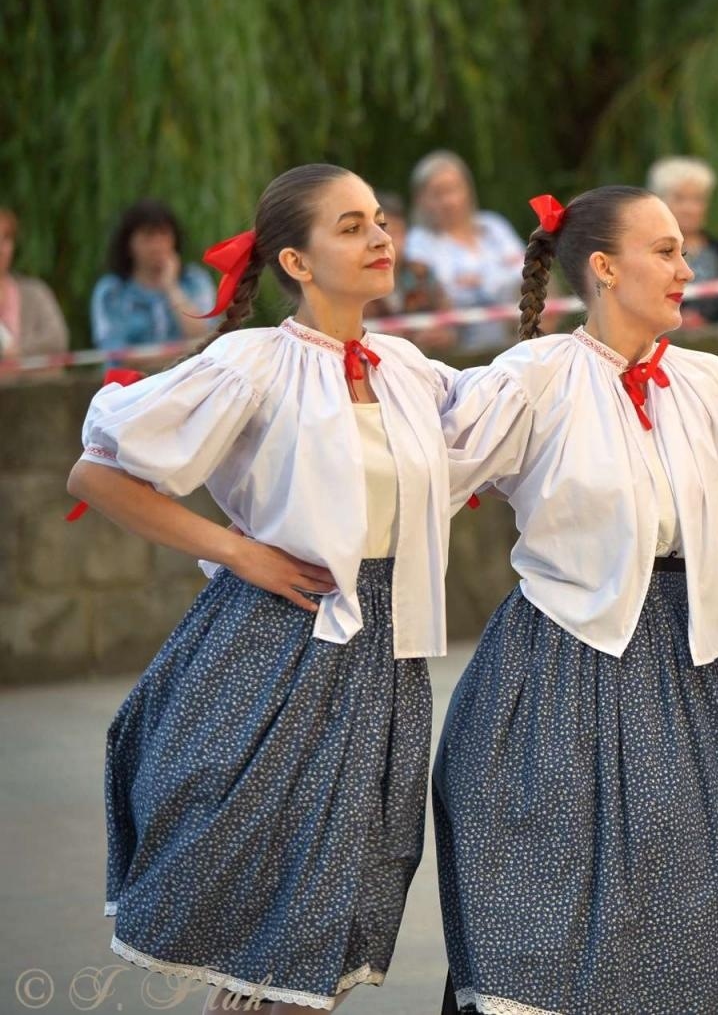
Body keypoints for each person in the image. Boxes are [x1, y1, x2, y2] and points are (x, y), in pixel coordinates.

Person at [431, 186, 718, 1015]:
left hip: (676, 667)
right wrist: (253, 550)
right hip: (553, 668)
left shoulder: (705, 383)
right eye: (664, 251)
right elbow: (415, 471)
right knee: (541, 909)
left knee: (686, 892)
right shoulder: (535, 378)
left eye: (682, 250)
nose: (686, 267)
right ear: (604, 268)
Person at [70, 164, 455, 1012]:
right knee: (274, 936)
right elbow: (95, 473)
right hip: (275, 652)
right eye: (351, 226)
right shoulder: (254, 364)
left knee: (326, 927)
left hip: (385, 657)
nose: (380, 238)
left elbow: (499, 448)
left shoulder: (408, 369)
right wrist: (237, 553)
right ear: (297, 263)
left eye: (380, 220)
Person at [406, 150, 525, 351]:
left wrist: (479, 281)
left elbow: (527, 271)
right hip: (455, 350)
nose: (448, 201)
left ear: (468, 190)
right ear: (420, 199)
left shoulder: (494, 226)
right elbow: (434, 294)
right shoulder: (417, 242)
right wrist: (499, 278)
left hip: (515, 337)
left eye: (453, 189)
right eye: (437, 193)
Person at [90, 200, 217, 350]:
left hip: (190, 372)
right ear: (129, 243)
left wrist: (171, 288)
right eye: (148, 236)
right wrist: (175, 356)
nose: (157, 245)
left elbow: (204, 336)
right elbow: (115, 352)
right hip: (137, 373)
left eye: (164, 234)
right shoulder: (111, 290)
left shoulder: (194, 280)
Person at [648, 155, 718, 324]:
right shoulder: (647, 253)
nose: (691, 208)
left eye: (698, 199)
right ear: (659, 201)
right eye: (680, 198)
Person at [367, 190, 456, 352]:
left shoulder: (422, 274)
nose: (387, 241)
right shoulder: (354, 282)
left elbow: (453, 323)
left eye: (396, 233)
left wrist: (445, 335)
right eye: (381, 232)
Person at [0, 206, 70, 360]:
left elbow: (57, 339)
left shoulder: (35, 292)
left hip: (35, 383)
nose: (1, 248)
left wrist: (20, 352)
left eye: (6, 239)